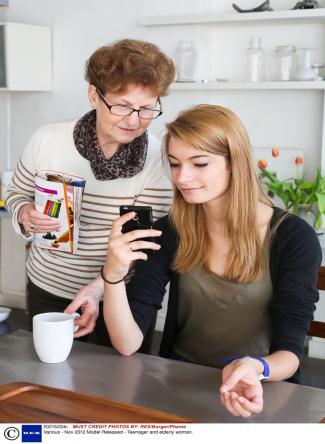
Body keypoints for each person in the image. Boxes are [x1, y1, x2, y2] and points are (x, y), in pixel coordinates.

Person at [102, 104, 321, 418]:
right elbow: (127, 343)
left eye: (199, 163)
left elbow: (290, 354)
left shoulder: (293, 238)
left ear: (235, 164)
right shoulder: (169, 231)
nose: (183, 177)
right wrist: (112, 275)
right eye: (175, 165)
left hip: (263, 384)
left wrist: (255, 367)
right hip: (180, 380)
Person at [6, 39, 175, 345]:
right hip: (48, 288)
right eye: (123, 106)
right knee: (49, 381)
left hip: (119, 297)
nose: (134, 120)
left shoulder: (157, 159)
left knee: (117, 385)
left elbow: (140, 243)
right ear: (93, 95)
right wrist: (24, 214)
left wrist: (99, 288)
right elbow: (17, 193)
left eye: (147, 108)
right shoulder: (48, 140)